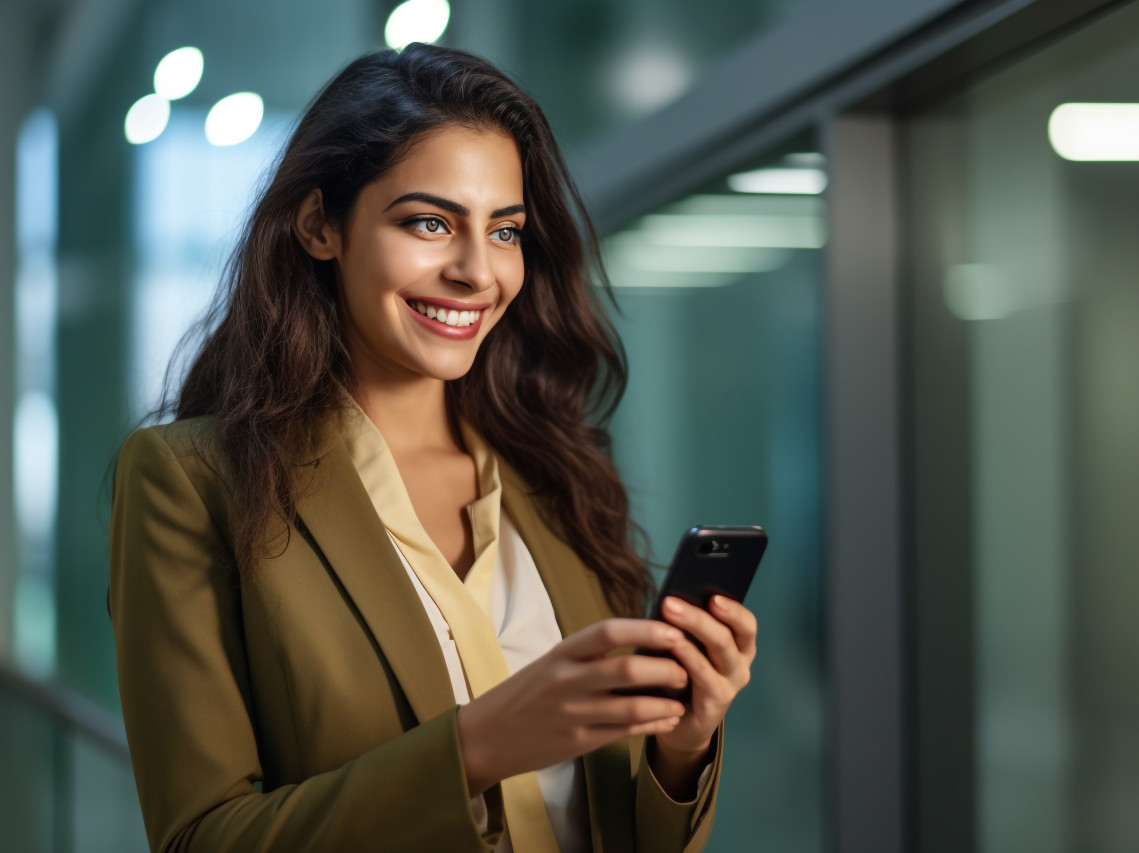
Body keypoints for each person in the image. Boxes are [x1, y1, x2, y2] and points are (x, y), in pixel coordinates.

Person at [107, 42, 758, 853]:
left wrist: (683, 744)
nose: (477, 272)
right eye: (429, 222)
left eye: (506, 230)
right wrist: (480, 744)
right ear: (320, 226)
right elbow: (201, 838)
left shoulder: (555, 474)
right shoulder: (192, 480)